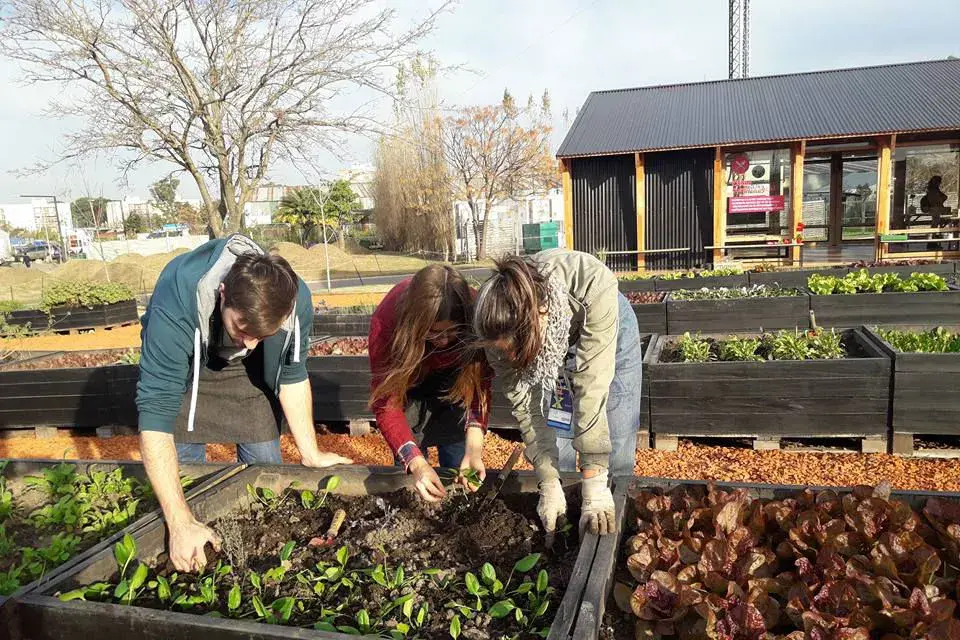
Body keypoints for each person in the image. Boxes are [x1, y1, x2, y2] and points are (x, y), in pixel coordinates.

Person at [137, 234, 351, 573]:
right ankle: (188, 537)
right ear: (223, 294)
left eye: (262, 336)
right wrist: (179, 521)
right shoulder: (176, 297)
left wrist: (310, 452)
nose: (250, 344)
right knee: (186, 479)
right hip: (191, 369)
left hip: (247, 379)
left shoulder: (294, 301)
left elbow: (292, 376)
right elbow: (155, 413)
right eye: (242, 329)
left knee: (266, 477)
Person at [473, 250, 642, 538]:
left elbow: (592, 387)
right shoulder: (494, 323)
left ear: (539, 316)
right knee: (559, 434)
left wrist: (594, 480)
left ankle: (612, 518)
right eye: (504, 351)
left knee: (618, 429)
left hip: (603, 323)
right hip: (548, 346)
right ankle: (564, 515)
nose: (509, 358)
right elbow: (526, 406)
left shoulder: (591, 282)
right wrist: (548, 481)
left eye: (516, 350)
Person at [368, 264, 491, 503]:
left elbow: (479, 384)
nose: (443, 341)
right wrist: (416, 463)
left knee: (457, 457)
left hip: (454, 381)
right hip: (407, 379)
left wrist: (474, 449)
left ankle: (457, 505)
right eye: (433, 332)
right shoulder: (387, 322)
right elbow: (387, 402)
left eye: (451, 332)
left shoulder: (475, 314)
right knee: (412, 477)